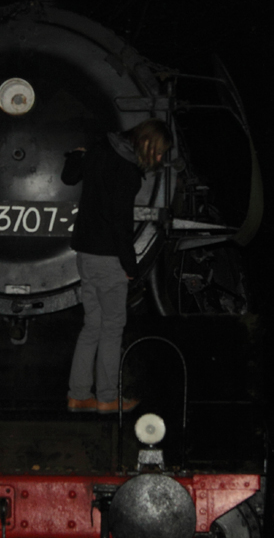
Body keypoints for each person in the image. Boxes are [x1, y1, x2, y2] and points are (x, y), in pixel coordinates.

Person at [61, 118, 172, 414]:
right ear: (145, 142)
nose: (158, 158)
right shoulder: (127, 170)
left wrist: (77, 156)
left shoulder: (99, 149)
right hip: (109, 258)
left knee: (92, 327)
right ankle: (107, 398)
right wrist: (130, 266)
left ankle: (78, 395)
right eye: (158, 151)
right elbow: (120, 223)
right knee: (112, 329)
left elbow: (69, 178)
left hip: (85, 253)